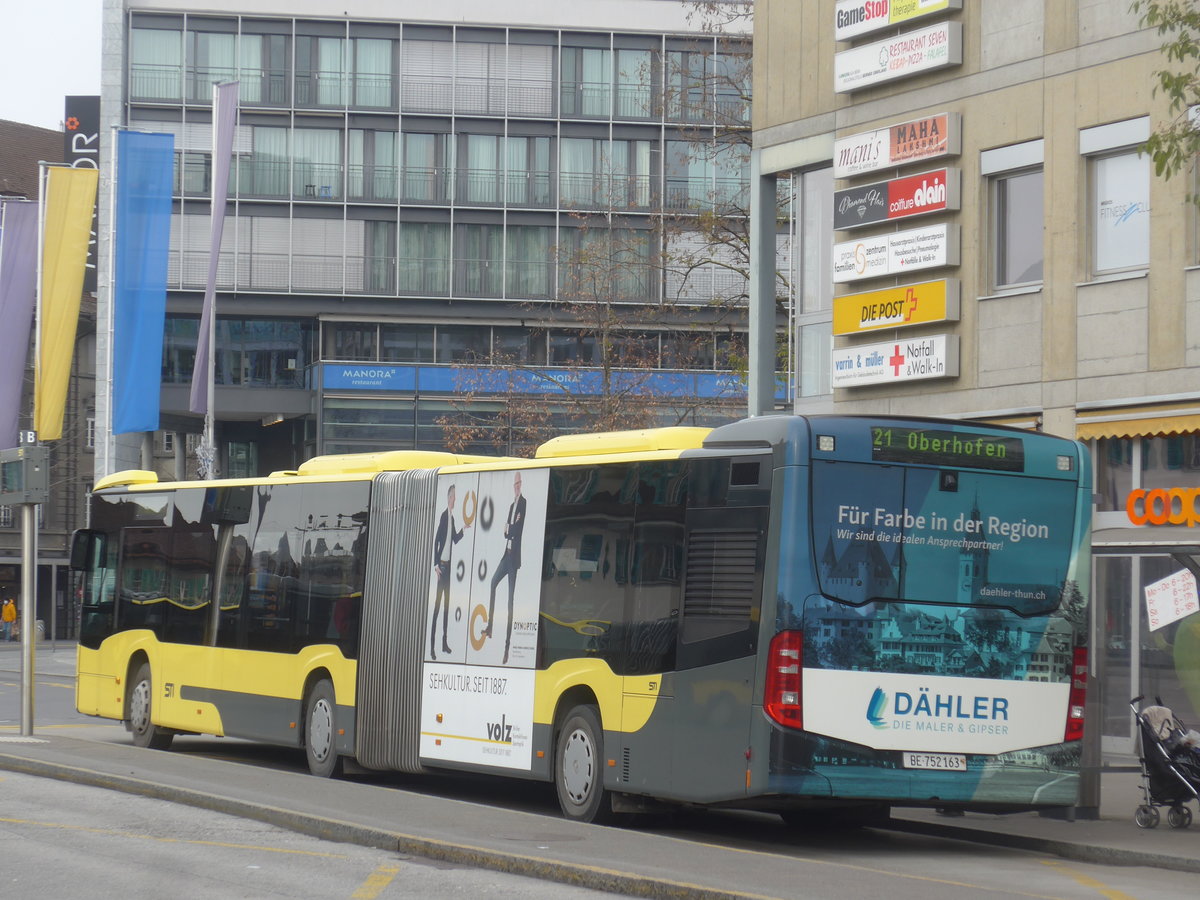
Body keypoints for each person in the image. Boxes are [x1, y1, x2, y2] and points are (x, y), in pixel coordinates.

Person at [485, 472, 527, 664]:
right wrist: (510, 527)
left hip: (514, 560)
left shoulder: (523, 504)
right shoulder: (512, 507)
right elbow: (506, 533)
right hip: (506, 555)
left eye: (519, 483)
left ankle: (507, 648)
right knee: (493, 583)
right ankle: (490, 627)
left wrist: (510, 527)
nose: (517, 486)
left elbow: (516, 530)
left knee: (510, 602)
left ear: (521, 484)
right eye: (515, 483)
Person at [430, 484, 468, 660]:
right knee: (437, 607)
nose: (455, 499)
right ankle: (431, 646)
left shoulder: (452, 518)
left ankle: (444, 643)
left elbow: (455, 540)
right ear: (448, 498)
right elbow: (437, 540)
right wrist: (436, 564)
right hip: (442, 567)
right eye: (453, 496)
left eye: (455, 496)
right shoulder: (444, 516)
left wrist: (464, 529)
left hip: (449, 567)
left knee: (446, 606)